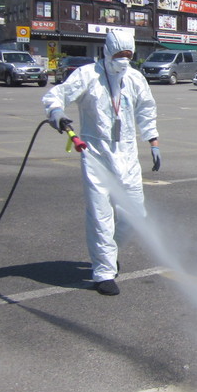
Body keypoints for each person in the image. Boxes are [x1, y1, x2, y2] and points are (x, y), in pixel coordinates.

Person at [42, 28, 160, 295]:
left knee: (136, 215)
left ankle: (110, 251)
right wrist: (57, 112)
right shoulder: (88, 75)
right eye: (119, 54)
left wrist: (153, 140)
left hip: (127, 155)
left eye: (128, 55)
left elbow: (146, 109)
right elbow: (56, 95)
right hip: (96, 156)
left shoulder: (135, 78)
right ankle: (104, 272)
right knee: (100, 216)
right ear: (107, 51)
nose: (124, 60)